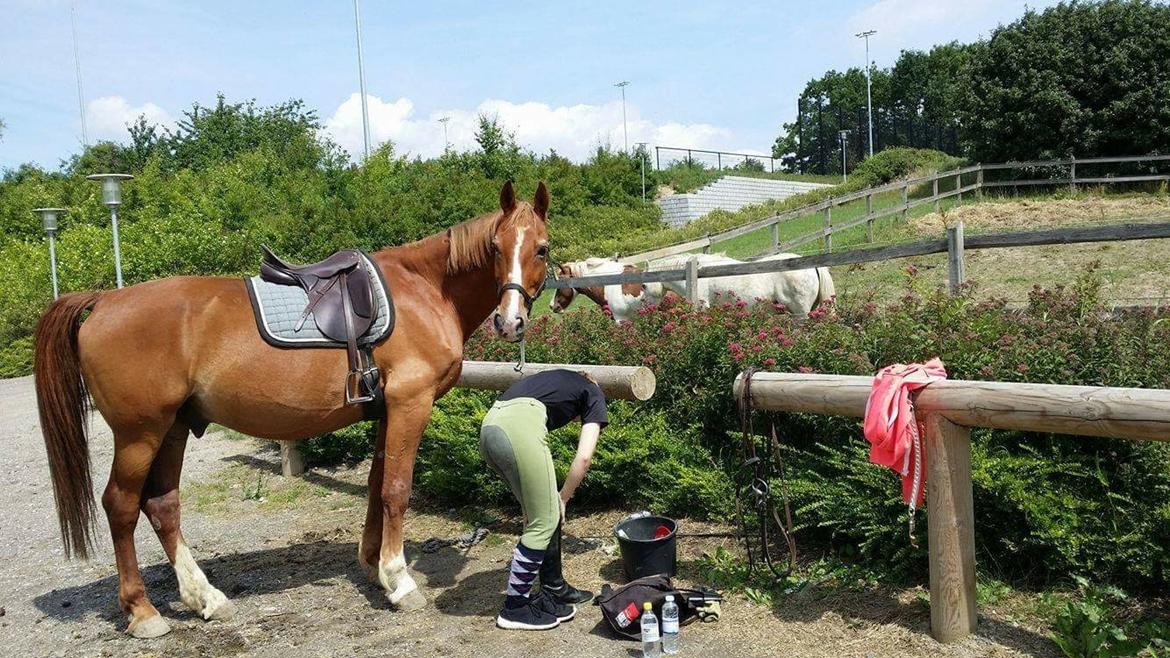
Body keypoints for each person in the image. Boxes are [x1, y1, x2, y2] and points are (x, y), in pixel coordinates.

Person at [479, 369, 607, 631]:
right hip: (518, 430)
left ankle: (549, 590)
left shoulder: (557, 381)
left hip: (490, 428)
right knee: (546, 518)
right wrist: (563, 498)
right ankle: (515, 608)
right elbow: (584, 457)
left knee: (535, 515)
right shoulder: (594, 392)